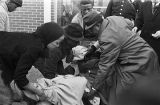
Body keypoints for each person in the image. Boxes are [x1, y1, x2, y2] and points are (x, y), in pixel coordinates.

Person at [83, 11, 160, 105]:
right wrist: (93, 47)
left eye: (90, 29)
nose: (90, 32)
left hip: (139, 61)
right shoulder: (112, 19)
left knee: (123, 89)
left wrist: (94, 88)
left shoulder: (108, 39)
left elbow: (104, 68)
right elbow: (130, 24)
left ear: (97, 25)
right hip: (147, 52)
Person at [0, 22, 64, 104]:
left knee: (7, 89)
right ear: (49, 38)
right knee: (5, 99)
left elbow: (17, 71)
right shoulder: (34, 48)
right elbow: (20, 77)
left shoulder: (35, 41)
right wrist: (39, 92)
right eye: (57, 42)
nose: (58, 46)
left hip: (3, 61)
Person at [132, 0, 160, 64]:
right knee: (145, 62)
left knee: (156, 63)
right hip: (145, 40)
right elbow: (139, 18)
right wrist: (136, 26)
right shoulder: (144, 4)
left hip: (158, 42)